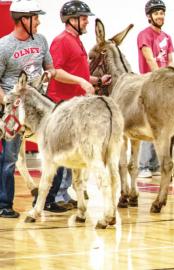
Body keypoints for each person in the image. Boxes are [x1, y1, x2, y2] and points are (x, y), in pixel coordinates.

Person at [0, 0, 94, 218]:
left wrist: (76, 80)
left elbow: (52, 70)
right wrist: (8, 104)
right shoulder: (4, 46)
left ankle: (49, 199)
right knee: (10, 158)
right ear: (23, 20)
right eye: (35, 18)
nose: (39, 22)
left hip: (41, 107)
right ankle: (4, 204)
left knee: (58, 148)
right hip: (16, 109)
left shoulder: (41, 41)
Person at [41, 0, 111, 210]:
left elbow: (79, 73)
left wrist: (96, 81)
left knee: (71, 151)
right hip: (62, 103)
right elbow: (57, 71)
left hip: (75, 106)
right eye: (83, 18)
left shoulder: (77, 41)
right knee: (61, 152)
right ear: (70, 21)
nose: (87, 22)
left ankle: (63, 193)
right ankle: (52, 198)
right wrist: (81, 81)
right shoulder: (61, 41)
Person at [137, 0, 174, 178]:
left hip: (164, 84)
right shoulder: (144, 35)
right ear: (149, 16)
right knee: (149, 124)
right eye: (156, 13)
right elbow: (150, 59)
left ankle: (154, 165)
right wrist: (161, 78)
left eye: (162, 12)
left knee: (161, 125)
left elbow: (171, 61)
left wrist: (172, 78)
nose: (160, 16)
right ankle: (144, 165)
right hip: (150, 82)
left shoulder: (167, 37)